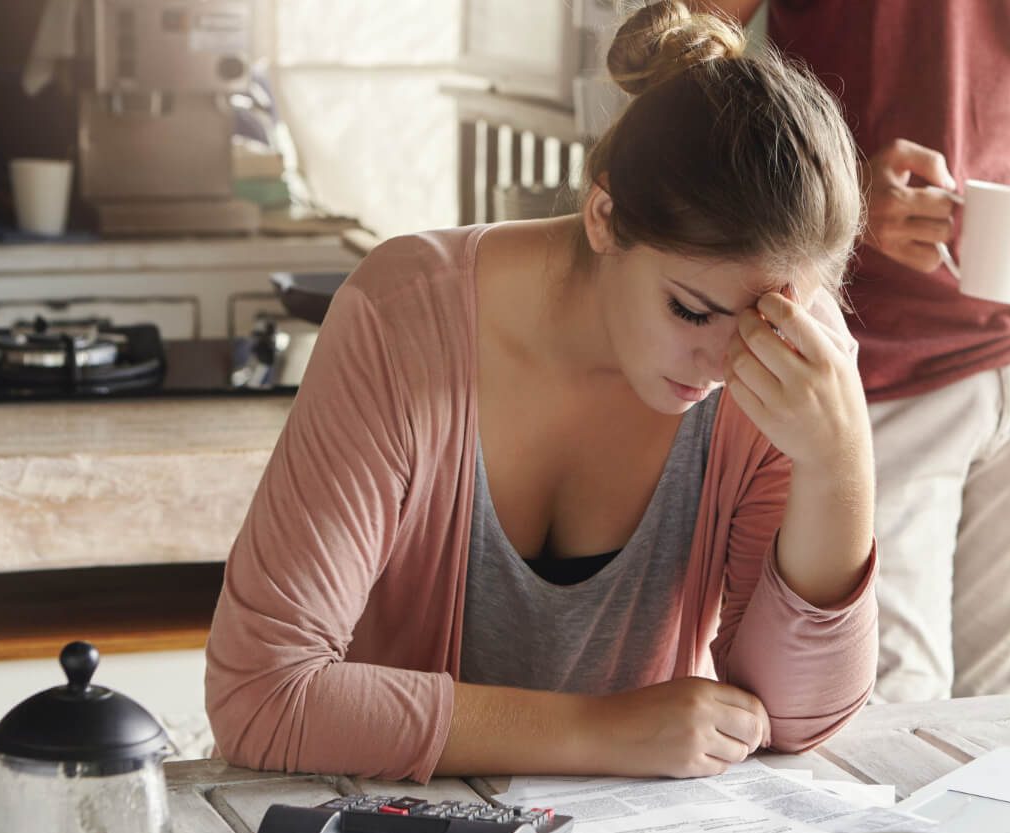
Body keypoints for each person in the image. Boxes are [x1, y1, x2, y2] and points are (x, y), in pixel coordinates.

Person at [203, 1, 878, 784]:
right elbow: (261, 693)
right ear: (603, 216)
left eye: (765, 318)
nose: (729, 359)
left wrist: (840, 460)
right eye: (691, 310)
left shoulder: (781, 356)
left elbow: (793, 719)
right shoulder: (404, 320)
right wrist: (601, 731)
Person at [699, 0, 1010, 702]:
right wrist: (837, 190)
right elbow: (679, 62)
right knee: (882, 716)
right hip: (875, 367)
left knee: (1004, 719)